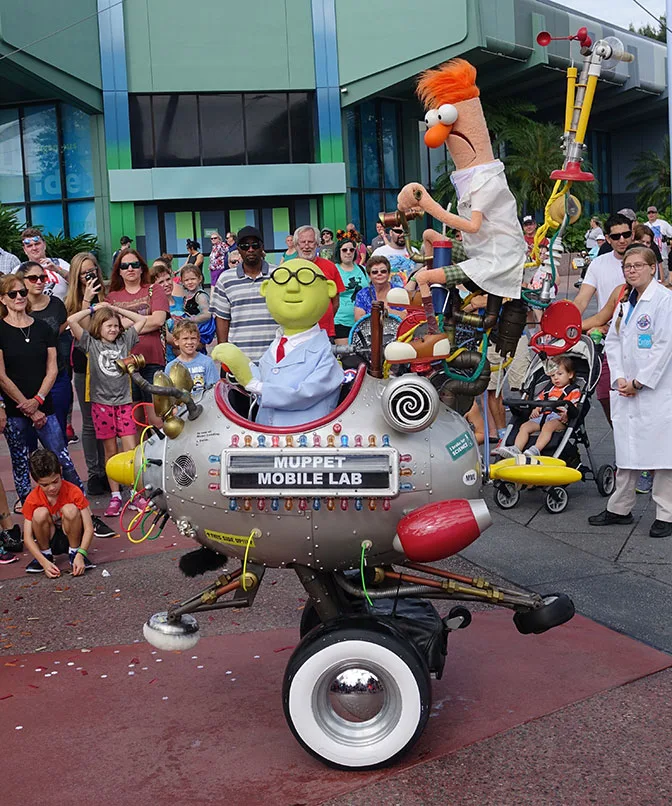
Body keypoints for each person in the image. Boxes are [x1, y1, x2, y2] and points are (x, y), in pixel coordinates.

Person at [588, 246, 672, 538]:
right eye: (627, 267)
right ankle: (619, 508)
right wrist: (621, 378)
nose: (632, 270)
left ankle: (666, 513)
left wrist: (639, 382)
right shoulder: (624, 300)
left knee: (662, 455)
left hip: (656, 390)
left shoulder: (664, 301)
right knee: (627, 450)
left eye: (638, 265)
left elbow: (664, 348)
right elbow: (613, 339)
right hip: (625, 387)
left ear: (653, 268)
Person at [212, 259, 344, 427]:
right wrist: (244, 365)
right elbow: (267, 378)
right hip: (265, 437)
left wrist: (257, 386)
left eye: (305, 278)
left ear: (329, 289)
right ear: (266, 289)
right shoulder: (277, 344)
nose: (292, 288)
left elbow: (306, 394)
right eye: (283, 279)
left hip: (305, 440)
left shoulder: (325, 356)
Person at [0, 274, 83, 512]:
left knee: (61, 458)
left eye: (22, 292)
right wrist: (25, 404)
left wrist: (37, 401)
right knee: (21, 462)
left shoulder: (43, 328)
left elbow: (53, 367)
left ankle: (79, 506)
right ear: (3, 299)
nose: (19, 297)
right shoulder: (1, 330)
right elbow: (2, 376)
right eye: (13, 294)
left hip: (43, 405)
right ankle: (33, 515)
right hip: (16, 410)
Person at [68, 301, 148, 517]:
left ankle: (135, 494)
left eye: (115, 325)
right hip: (101, 405)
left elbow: (142, 320)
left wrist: (116, 310)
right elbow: (71, 320)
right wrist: (94, 309)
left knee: (131, 452)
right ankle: (115, 496)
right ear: (98, 328)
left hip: (123, 403)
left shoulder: (125, 339)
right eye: (108, 326)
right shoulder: (90, 343)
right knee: (111, 452)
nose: (112, 329)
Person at [573, 213, 634, 424]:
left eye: (626, 234)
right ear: (607, 238)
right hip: (608, 340)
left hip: (638, 343)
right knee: (606, 396)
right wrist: (568, 324)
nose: (622, 240)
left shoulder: (642, 258)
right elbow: (582, 301)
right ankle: (623, 448)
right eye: (616, 236)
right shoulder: (598, 264)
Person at [105, 249, 170, 427]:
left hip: (153, 360)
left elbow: (158, 320)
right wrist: (142, 322)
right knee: (134, 419)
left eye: (135, 264)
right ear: (119, 271)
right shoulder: (112, 297)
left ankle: (160, 455)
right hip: (123, 364)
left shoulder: (153, 289)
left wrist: (123, 324)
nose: (130, 269)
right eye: (125, 266)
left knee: (158, 417)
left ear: (142, 268)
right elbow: (110, 330)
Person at [64, 253, 109, 496]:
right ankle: (94, 473)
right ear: (76, 276)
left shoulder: (107, 294)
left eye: (92, 271)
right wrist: (87, 302)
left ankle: (109, 471)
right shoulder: (72, 300)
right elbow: (76, 330)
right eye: (83, 273)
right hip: (84, 364)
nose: (89, 276)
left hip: (108, 362)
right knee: (91, 421)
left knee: (109, 419)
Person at [22, 449, 95, 576]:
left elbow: (89, 528)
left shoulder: (73, 491)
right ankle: (46, 554)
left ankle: (74, 553)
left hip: (72, 533)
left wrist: (81, 553)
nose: (52, 488)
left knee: (70, 510)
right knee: (39, 513)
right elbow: (27, 537)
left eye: (55, 481)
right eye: (45, 485)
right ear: (36, 482)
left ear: (60, 471)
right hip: (48, 536)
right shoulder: (32, 499)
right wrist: (43, 562)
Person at [20, 262, 71, 440]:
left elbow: (62, 327)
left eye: (43, 277)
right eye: (33, 278)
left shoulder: (56, 304)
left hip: (57, 375)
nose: (39, 281)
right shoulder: (16, 308)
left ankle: (59, 468)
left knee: (58, 435)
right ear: (22, 281)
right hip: (25, 381)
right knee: (28, 440)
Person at [211, 226, 277, 362]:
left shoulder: (278, 275)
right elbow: (222, 319)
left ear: (262, 247)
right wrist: (224, 355)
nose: (250, 249)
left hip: (275, 357)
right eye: (245, 246)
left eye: (255, 245)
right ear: (238, 249)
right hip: (240, 361)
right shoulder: (225, 279)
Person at [496, 356, 581, 458]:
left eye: (560, 374)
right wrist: (536, 409)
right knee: (525, 426)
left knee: (548, 427)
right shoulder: (548, 389)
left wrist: (566, 413)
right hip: (542, 417)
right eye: (552, 375)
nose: (556, 378)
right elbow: (539, 401)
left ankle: (536, 449)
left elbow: (574, 406)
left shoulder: (573, 391)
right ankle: (516, 448)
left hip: (559, 419)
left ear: (570, 374)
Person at [294, 225, 345, 338]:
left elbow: (336, 302)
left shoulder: (330, 266)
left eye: (311, 242)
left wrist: (325, 318)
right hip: (296, 332)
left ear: (317, 244)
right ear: (296, 245)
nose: (306, 246)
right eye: (303, 242)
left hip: (324, 331)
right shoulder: (288, 267)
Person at [165, 320, 219, 402]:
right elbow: (168, 396)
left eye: (193, 338)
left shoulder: (207, 362)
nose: (189, 342)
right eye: (185, 339)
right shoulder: (171, 366)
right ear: (176, 341)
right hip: (181, 412)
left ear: (198, 340)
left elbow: (214, 391)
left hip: (203, 407)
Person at [333, 238, 369, 344]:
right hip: (341, 320)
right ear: (339, 252)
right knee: (346, 355)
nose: (348, 253)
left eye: (351, 250)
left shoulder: (362, 269)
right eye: (344, 250)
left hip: (362, 321)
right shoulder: (334, 270)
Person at [18, 228, 69, 301]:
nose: (34, 248)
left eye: (37, 244)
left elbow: (76, 281)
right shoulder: (18, 269)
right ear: (24, 250)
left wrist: (57, 270)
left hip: (62, 310)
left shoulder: (60, 263)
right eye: (29, 246)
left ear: (44, 245)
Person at [354, 256, 405, 320]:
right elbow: (359, 319)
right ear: (369, 275)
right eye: (375, 272)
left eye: (383, 271)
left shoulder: (399, 292)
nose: (379, 274)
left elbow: (406, 317)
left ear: (389, 273)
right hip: (370, 329)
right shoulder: (362, 294)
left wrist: (388, 311)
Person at [151, 260, 182, 363]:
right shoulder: (153, 308)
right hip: (167, 361)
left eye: (168, 279)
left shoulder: (183, 301)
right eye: (161, 282)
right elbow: (166, 336)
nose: (166, 284)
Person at [645, 206, 672, 277]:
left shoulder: (664, 224)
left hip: (663, 257)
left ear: (656, 214)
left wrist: (667, 240)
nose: (651, 214)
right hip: (648, 259)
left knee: (665, 278)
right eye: (649, 213)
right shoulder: (645, 226)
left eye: (653, 212)